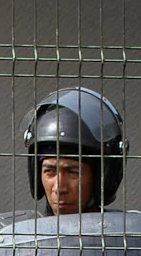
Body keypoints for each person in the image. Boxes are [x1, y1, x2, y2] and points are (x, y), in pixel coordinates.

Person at [21, 87, 127, 218]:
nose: (59, 189)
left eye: (73, 173)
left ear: (102, 178)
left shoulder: (129, 234)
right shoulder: (14, 234)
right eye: (49, 171)